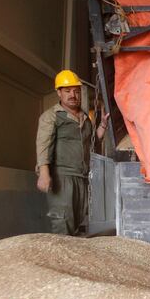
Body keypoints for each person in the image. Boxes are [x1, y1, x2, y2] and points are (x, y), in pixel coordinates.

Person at [35, 69, 109, 235]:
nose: (73, 95)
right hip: (63, 177)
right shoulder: (51, 116)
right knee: (62, 222)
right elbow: (43, 145)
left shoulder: (84, 117)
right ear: (59, 92)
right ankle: (59, 260)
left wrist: (102, 126)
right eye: (67, 91)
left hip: (82, 178)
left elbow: (91, 143)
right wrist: (44, 173)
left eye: (76, 91)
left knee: (78, 222)